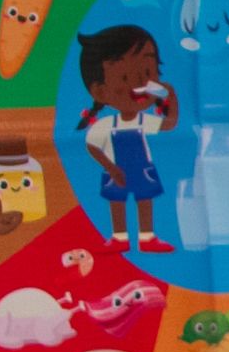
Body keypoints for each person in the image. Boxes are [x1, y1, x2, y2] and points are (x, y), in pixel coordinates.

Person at [75, 25, 176, 256]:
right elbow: (91, 145)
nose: (140, 85)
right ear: (100, 92)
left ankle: (147, 237)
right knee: (116, 202)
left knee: (145, 200)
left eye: (149, 73)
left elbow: (169, 125)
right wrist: (111, 168)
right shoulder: (106, 125)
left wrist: (171, 96)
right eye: (125, 77)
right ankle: (119, 237)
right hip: (115, 168)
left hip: (142, 167)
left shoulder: (144, 120)